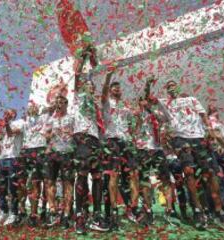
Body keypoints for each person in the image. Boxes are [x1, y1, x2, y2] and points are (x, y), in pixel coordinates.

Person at [158, 81, 224, 229]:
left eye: (173, 85)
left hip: (199, 137)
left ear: (179, 87)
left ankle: (218, 209)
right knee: (188, 172)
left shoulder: (192, 99)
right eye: (168, 86)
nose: (171, 87)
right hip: (180, 138)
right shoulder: (165, 104)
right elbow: (151, 102)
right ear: (167, 91)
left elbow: (203, 114)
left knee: (208, 173)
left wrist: (210, 130)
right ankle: (197, 210)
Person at [101, 69, 139, 230]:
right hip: (112, 141)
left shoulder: (126, 106)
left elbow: (135, 124)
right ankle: (114, 211)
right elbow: (103, 91)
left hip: (127, 142)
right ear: (110, 90)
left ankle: (132, 209)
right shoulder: (106, 102)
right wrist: (109, 75)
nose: (117, 89)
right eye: (113, 87)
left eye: (118, 87)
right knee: (113, 175)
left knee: (133, 175)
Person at [72, 72, 109, 234]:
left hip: (95, 139)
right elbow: (77, 76)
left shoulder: (96, 105)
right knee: (82, 173)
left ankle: (96, 214)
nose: (91, 87)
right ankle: (79, 215)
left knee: (97, 177)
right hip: (82, 137)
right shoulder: (78, 98)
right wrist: (84, 58)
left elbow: (100, 124)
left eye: (93, 86)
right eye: (88, 85)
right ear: (82, 87)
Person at [133, 95, 175, 226]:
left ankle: (169, 210)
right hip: (142, 149)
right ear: (139, 102)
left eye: (147, 100)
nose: (145, 102)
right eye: (142, 100)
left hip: (157, 149)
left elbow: (168, 119)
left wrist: (153, 107)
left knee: (165, 179)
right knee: (144, 181)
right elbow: (132, 130)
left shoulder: (155, 113)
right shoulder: (135, 113)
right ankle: (148, 210)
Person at [44, 95, 75, 228]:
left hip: (68, 153)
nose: (58, 104)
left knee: (67, 183)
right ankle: (52, 211)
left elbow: (78, 134)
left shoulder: (72, 118)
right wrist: (51, 135)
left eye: (61, 102)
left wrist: (70, 133)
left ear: (66, 104)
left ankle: (66, 213)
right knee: (50, 181)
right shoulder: (51, 119)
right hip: (53, 153)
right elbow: (46, 135)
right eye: (56, 102)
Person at [20, 103, 53, 227]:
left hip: (41, 150)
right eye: (29, 107)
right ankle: (33, 214)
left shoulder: (43, 117)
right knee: (34, 183)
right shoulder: (24, 122)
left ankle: (46, 210)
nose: (32, 108)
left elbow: (52, 107)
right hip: (28, 151)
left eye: (34, 106)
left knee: (47, 181)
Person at [0, 109, 23, 226]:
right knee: (1, 187)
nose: (6, 114)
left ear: (14, 114)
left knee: (13, 187)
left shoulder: (20, 122)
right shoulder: (1, 127)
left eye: (9, 113)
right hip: (3, 158)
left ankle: (14, 213)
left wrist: (6, 125)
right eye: (5, 113)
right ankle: (3, 211)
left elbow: (11, 133)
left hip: (13, 158)